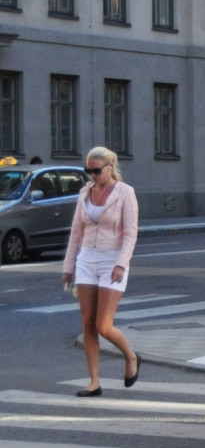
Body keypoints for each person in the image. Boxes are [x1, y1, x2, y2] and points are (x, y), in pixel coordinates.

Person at [61, 146, 141, 397]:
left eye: (96, 170)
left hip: (111, 261)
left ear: (110, 167)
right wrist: (68, 266)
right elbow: (76, 232)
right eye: (89, 170)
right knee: (87, 324)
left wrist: (121, 264)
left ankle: (130, 356)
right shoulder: (85, 193)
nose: (92, 175)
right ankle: (94, 381)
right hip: (87, 259)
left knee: (103, 325)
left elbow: (130, 233)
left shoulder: (125, 193)